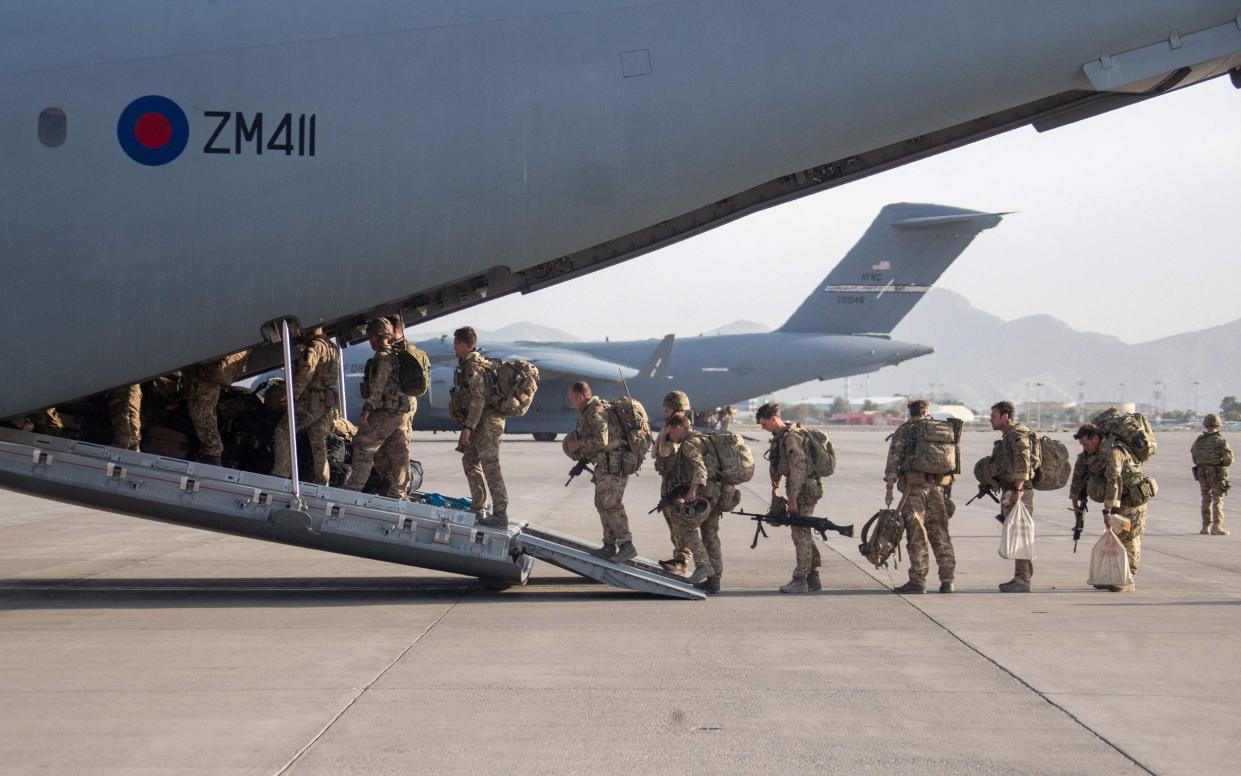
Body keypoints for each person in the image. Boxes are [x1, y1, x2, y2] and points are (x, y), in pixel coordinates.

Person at [884, 399, 955, 594]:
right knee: (940, 532)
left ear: (910, 412)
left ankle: (918, 580)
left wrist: (890, 487)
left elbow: (894, 459)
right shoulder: (942, 429)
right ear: (926, 411)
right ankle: (948, 580)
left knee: (917, 534)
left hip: (914, 489)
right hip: (938, 488)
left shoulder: (906, 430)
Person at [1071, 422, 1153, 591]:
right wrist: (1075, 502)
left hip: (1132, 499)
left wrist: (1110, 510)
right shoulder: (1087, 456)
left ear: (1096, 438)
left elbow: (1114, 480)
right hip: (1116, 500)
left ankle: (1127, 579)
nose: (1085, 448)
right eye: (1082, 445)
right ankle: (1113, 575)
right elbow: (1078, 477)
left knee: (1129, 537)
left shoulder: (1113, 452)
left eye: (1086, 443)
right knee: (1115, 536)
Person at [565, 381, 637, 563]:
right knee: (601, 503)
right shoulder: (589, 412)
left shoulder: (595, 412)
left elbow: (601, 441)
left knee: (611, 504)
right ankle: (609, 545)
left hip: (614, 465)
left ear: (581, 397)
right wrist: (581, 462)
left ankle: (627, 546)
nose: (571, 402)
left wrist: (578, 444)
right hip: (605, 465)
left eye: (572, 398)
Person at [757, 402, 823, 594]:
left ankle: (800, 579)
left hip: (804, 489)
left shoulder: (791, 438)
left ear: (774, 419)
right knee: (803, 530)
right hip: (800, 488)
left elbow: (798, 468)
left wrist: (792, 498)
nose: (763, 428)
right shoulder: (781, 438)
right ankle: (812, 577)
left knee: (800, 532)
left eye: (764, 424)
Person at [343, 318, 412, 498]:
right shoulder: (396, 354)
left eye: (370, 337)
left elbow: (377, 387)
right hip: (400, 413)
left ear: (374, 337)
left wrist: (368, 408)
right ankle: (398, 492)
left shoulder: (382, 357)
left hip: (386, 412)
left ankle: (353, 488)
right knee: (398, 453)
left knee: (363, 444)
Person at [451, 326, 508, 527]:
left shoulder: (474, 368)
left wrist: (467, 429)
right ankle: (478, 507)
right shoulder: (470, 365)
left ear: (465, 345)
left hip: (488, 424)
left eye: (456, 344)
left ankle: (500, 514)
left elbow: (477, 401)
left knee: (490, 466)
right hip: (480, 423)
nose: (454, 348)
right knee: (469, 460)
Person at [271, 325, 340, 485]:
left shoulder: (314, 346)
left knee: (283, 431)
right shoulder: (332, 346)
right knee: (318, 442)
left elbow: (306, 371)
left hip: (311, 399)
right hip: (325, 400)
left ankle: (281, 474)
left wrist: (292, 394)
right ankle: (322, 480)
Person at [664, 413, 724, 591]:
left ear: (679, 428)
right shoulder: (702, 439)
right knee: (710, 535)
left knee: (684, 527)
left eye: (671, 433)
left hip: (704, 494)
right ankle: (714, 580)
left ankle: (703, 565)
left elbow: (700, 469)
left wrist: (692, 491)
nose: (671, 437)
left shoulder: (689, 444)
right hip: (718, 493)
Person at [370, 314, 421, 494]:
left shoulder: (399, 353)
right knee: (388, 454)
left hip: (399, 409)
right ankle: (396, 488)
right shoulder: (404, 351)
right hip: (399, 408)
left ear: (395, 331)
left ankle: (399, 490)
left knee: (397, 451)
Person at [989, 400, 1035, 593]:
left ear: (1005, 417)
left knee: (1021, 534)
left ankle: (1023, 579)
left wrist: (1017, 491)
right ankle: (1020, 577)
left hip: (1019, 491)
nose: (990, 420)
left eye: (993, 416)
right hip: (1012, 489)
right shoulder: (1008, 436)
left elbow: (1023, 463)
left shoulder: (1016, 435)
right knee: (1016, 534)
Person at [652, 391, 695, 574]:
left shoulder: (679, 430)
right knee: (673, 525)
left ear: (677, 409)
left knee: (680, 525)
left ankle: (682, 561)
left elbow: (663, 452)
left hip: (678, 486)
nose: (665, 412)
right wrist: (663, 430)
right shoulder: (669, 428)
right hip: (669, 483)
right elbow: (654, 453)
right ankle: (678, 558)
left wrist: (665, 432)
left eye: (667, 409)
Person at [186, 350, 249, 465]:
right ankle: (212, 453)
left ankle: (212, 454)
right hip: (210, 370)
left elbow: (220, 375)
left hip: (210, 373)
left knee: (203, 412)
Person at [1191, 413, 1233, 536]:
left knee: (1205, 498)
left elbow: (1194, 456)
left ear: (1205, 425)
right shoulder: (1220, 441)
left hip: (1202, 473)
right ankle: (1217, 526)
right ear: (1218, 425)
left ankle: (1205, 527)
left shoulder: (1198, 441)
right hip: (1216, 474)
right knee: (1217, 499)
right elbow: (1228, 459)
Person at [108, 384, 143, 451]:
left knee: (123, 411)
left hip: (125, 385)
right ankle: (131, 445)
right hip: (129, 385)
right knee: (129, 412)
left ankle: (124, 442)